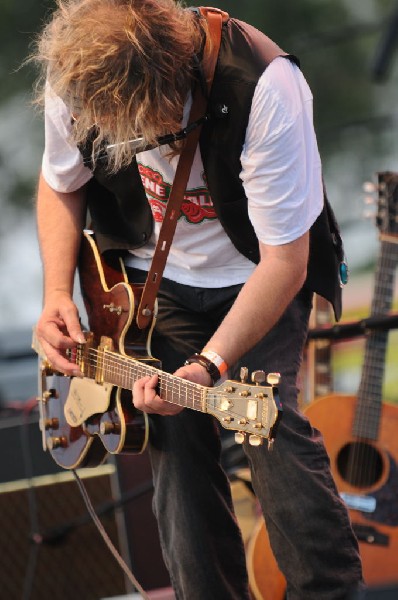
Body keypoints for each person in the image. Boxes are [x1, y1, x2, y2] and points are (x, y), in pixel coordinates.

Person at [32, 1, 363, 598]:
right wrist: (58, 291)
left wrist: (212, 364)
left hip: (258, 274)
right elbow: (61, 184)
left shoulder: (262, 81)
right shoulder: (76, 76)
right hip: (149, 287)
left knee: (272, 431)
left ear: (168, 82)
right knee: (176, 455)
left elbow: (285, 262)